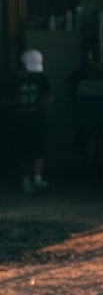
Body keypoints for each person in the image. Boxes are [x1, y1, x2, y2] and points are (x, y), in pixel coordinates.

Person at [13, 50, 51, 194]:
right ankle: (26, 180)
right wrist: (15, 101)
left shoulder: (42, 79)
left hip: (37, 119)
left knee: (38, 150)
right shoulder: (13, 81)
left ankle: (37, 178)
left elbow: (49, 96)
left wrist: (45, 102)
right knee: (23, 151)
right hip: (21, 120)